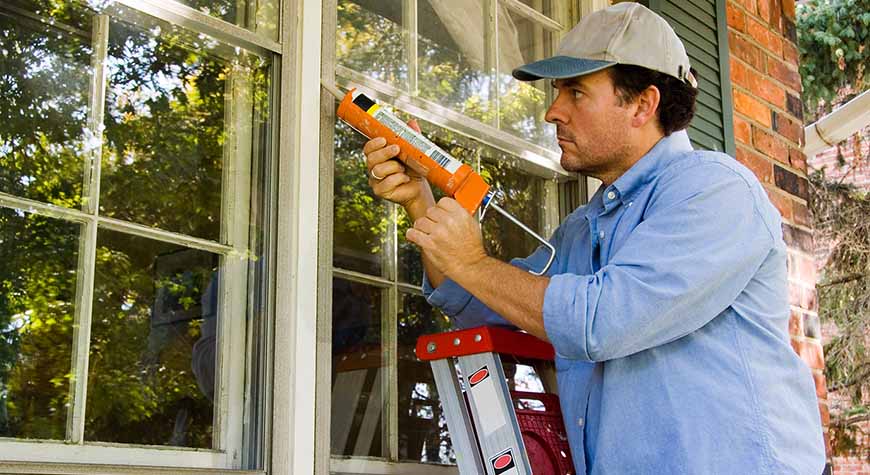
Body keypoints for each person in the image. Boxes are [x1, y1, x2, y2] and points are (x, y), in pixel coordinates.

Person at [362, 3, 825, 474]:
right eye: (557, 91)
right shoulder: (582, 229)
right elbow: (481, 300)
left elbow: (602, 320)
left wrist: (473, 263)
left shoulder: (716, 191)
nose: (551, 111)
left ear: (643, 105)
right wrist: (421, 200)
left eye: (576, 92)